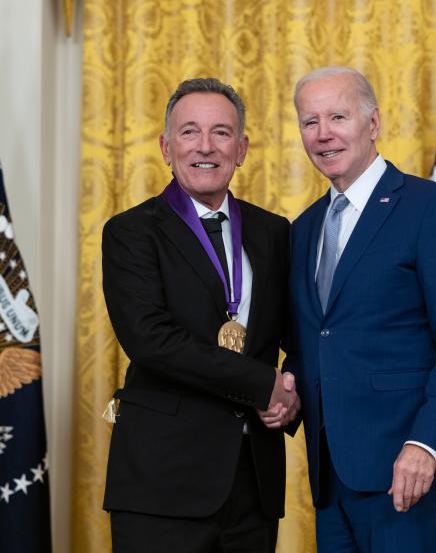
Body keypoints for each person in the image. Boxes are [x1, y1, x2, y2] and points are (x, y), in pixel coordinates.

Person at [284, 66, 436, 552]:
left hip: (408, 470)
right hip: (332, 477)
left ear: (372, 123)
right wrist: (286, 390)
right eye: (310, 122)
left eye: (338, 116)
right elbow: (319, 338)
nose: (323, 134)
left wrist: (426, 444)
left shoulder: (429, 207)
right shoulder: (305, 227)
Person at [101, 77, 299, 553]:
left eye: (222, 132)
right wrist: (261, 383)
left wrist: (292, 391)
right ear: (167, 147)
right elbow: (152, 340)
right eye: (189, 132)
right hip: (162, 483)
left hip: (253, 480)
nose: (205, 147)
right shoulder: (131, 232)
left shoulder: (274, 232)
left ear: (243, 148)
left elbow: (301, 333)